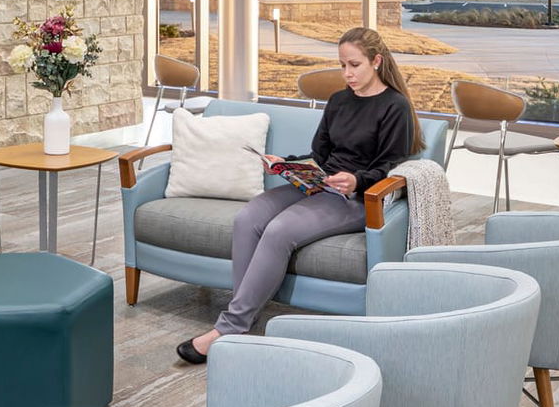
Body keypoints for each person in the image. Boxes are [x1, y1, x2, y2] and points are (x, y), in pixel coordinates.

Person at [176, 26, 419, 365]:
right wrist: (285, 164)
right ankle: (242, 320)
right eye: (342, 65)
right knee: (248, 217)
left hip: (356, 198)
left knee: (279, 230)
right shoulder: (338, 101)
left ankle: (231, 327)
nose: (347, 73)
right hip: (319, 184)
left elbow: (393, 166)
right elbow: (319, 154)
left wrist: (356, 180)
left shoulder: (395, 107)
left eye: (355, 65)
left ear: (376, 61)